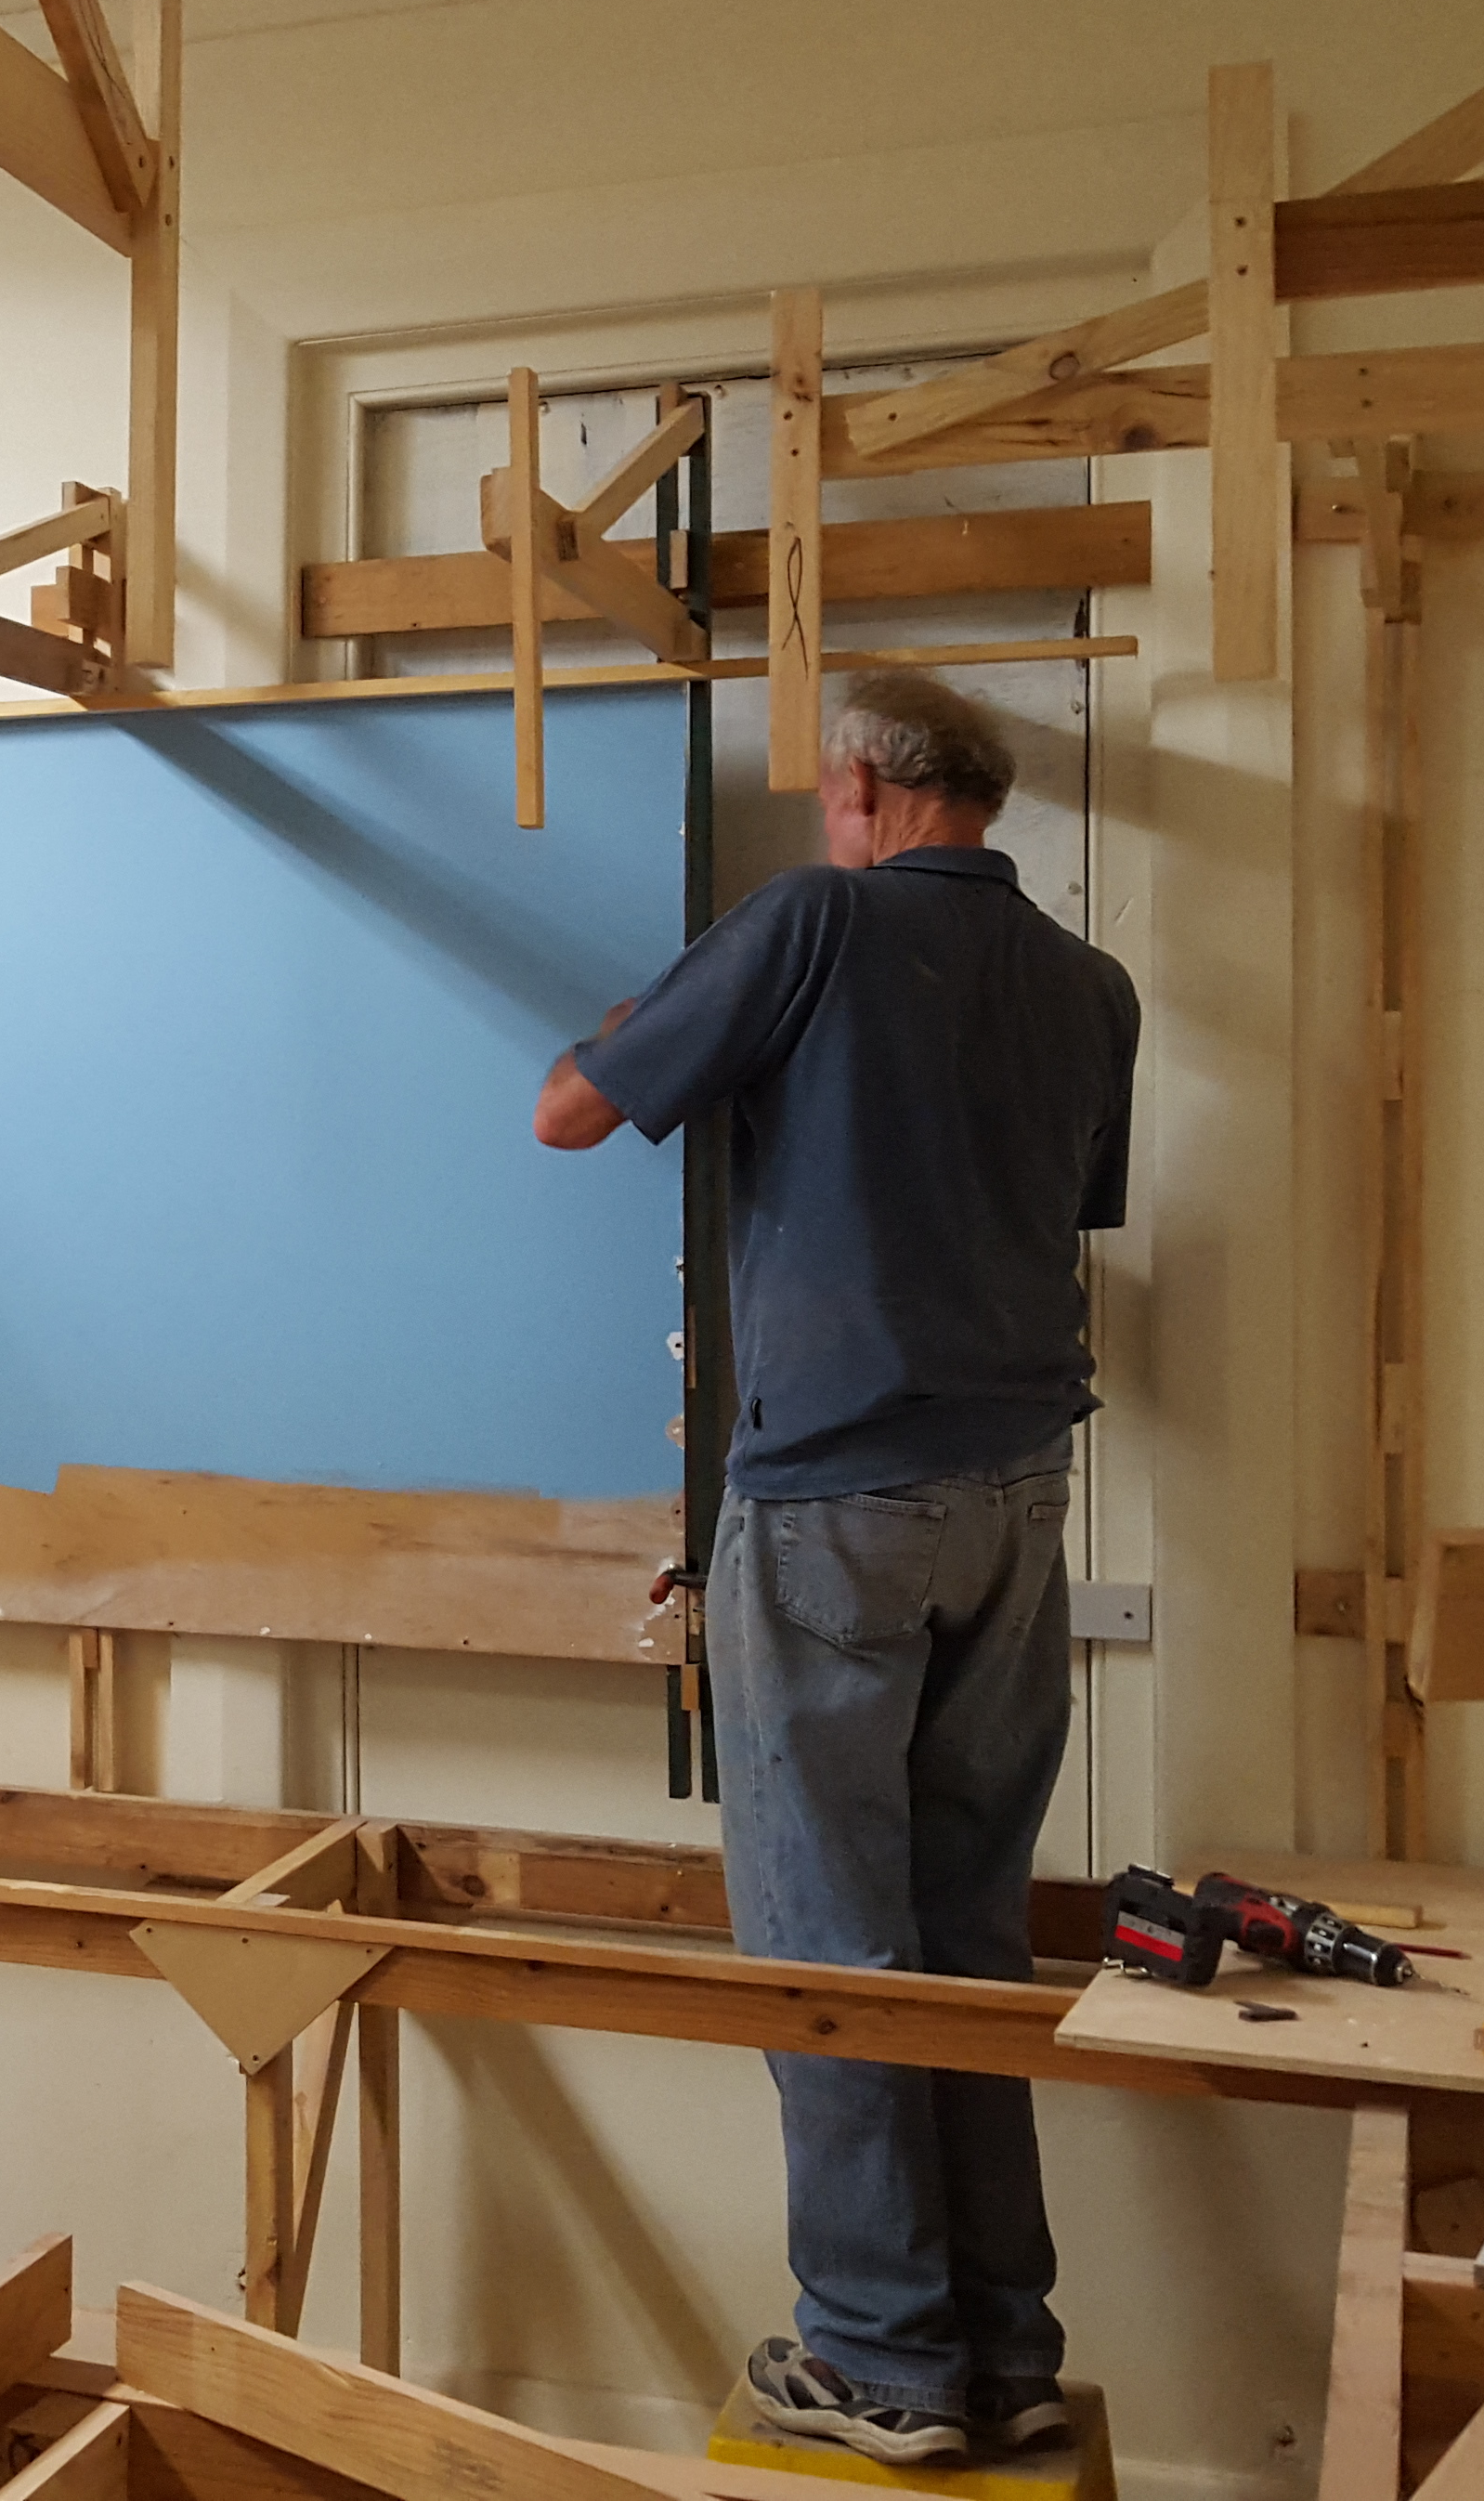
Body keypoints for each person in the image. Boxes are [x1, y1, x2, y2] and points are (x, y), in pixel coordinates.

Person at [532, 671, 1138, 2466]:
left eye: (824, 795)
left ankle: (878, 2358)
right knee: (958, 1931)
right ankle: (999, 2348)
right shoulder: (1089, 984)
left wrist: (658, 1017)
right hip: (1018, 1501)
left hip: (832, 1503)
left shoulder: (809, 920)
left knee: (827, 1938)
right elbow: (1038, 1201)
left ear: (862, 784)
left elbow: (568, 1108)